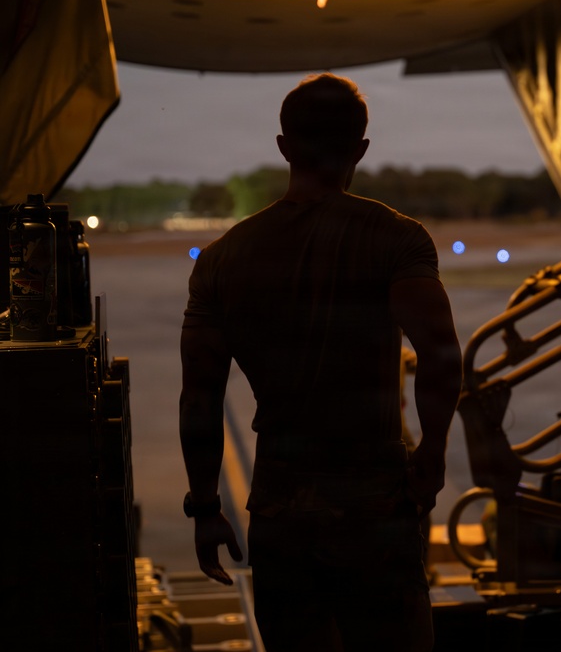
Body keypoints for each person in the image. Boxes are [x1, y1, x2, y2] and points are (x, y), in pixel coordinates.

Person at [179, 73, 463, 651]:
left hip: (283, 500)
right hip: (375, 497)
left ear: (283, 146)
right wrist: (432, 452)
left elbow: (200, 397)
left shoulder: (221, 260)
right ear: (360, 149)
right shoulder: (398, 239)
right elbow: (438, 353)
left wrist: (206, 507)